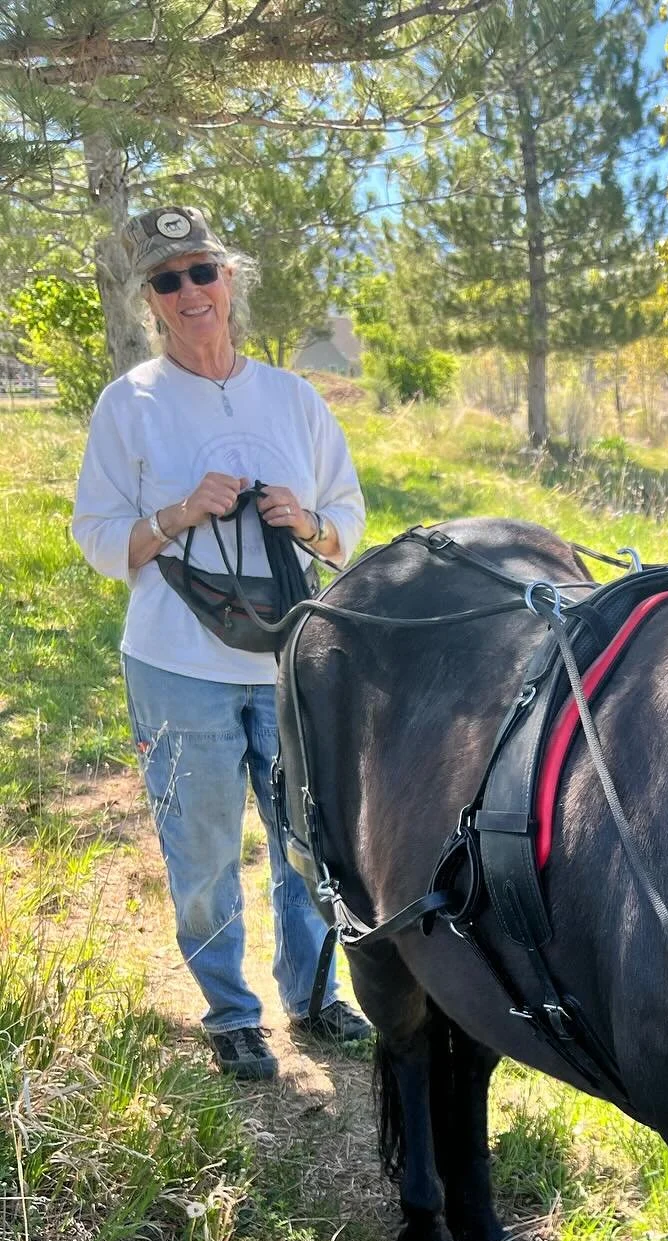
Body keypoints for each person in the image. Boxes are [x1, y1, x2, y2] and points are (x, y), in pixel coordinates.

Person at [72, 204, 371, 1080]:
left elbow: (347, 519)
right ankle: (231, 1014)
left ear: (228, 278)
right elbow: (96, 537)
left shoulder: (294, 396)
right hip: (176, 669)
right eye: (167, 280)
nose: (189, 290)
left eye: (202, 271)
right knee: (200, 851)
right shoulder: (129, 406)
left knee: (306, 842)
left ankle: (313, 998)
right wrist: (176, 513)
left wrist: (305, 520)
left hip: (287, 662)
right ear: (150, 302)